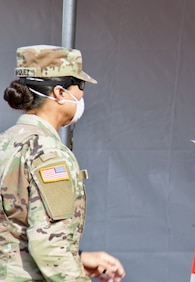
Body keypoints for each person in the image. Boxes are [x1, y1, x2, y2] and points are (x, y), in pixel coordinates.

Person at [0, 45, 125, 281]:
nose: (81, 94)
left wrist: (78, 257)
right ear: (58, 92)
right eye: (80, 86)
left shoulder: (5, 142)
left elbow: (14, 229)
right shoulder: (48, 152)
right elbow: (50, 246)